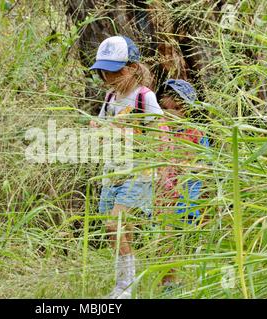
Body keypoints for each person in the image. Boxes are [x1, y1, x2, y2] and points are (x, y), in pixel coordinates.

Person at [88, 35, 164, 299]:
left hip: (138, 171)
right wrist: (99, 129)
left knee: (116, 223)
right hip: (113, 171)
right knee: (115, 231)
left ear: (132, 68)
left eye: (115, 71)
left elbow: (161, 134)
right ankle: (124, 284)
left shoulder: (144, 97)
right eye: (104, 72)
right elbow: (100, 127)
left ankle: (125, 288)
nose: (109, 78)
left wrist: (129, 133)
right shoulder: (110, 98)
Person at [155, 79, 209, 225]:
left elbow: (206, 166)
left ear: (189, 110)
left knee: (185, 233)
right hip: (162, 198)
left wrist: (186, 167)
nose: (171, 114)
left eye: (177, 108)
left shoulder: (197, 134)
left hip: (186, 200)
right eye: (165, 109)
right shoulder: (157, 132)